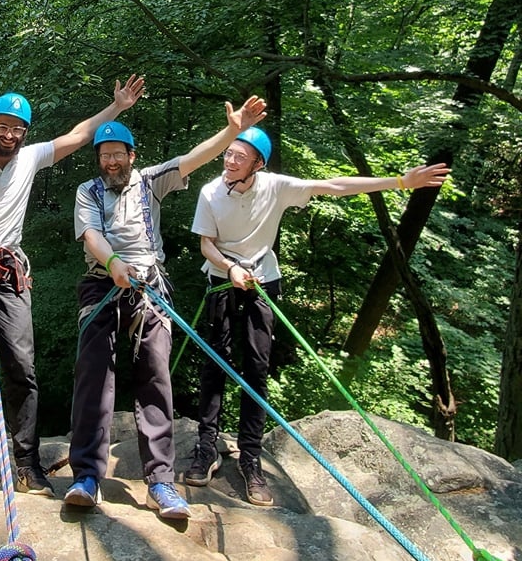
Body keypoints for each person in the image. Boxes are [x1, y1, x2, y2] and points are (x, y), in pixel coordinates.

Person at [187, 126, 451, 506]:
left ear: (257, 165)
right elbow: (206, 244)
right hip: (222, 283)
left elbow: (333, 186)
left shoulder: (276, 186)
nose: (229, 161)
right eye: (228, 154)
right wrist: (229, 268)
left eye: (239, 157)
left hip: (262, 282)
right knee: (215, 365)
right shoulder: (210, 192)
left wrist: (398, 181)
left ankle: (250, 458)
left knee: (256, 370)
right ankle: (206, 447)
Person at [0, 75, 146, 499]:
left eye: (18, 128)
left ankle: (26, 464)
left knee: (21, 365)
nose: (10, 134)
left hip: (6, 269)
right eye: (3, 126)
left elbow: (78, 135)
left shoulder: (30, 158)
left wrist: (118, 108)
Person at [65, 97, 267, 520]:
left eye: (118, 154)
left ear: (131, 156)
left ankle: (160, 481)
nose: (112, 162)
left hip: (149, 287)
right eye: (105, 156)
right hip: (102, 282)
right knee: (93, 375)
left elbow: (194, 159)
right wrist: (114, 263)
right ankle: (86, 475)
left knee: (155, 378)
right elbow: (91, 237)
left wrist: (232, 131)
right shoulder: (88, 191)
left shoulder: (151, 180)